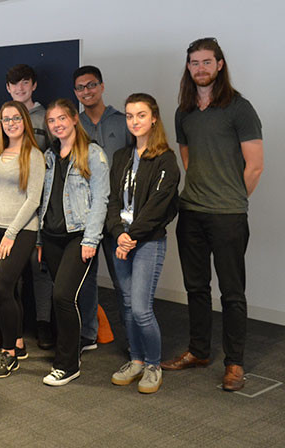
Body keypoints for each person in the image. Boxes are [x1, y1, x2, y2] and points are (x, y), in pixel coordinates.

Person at [162, 38, 264, 392]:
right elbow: (189, 161)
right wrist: (205, 192)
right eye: (194, 63)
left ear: (220, 65)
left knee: (232, 293)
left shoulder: (240, 108)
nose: (200, 68)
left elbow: (255, 166)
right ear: (188, 67)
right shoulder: (183, 112)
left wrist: (230, 198)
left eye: (207, 62)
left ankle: (234, 363)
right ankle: (198, 351)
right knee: (196, 288)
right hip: (191, 212)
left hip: (228, 216)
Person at [106, 94, 180, 394]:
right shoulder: (122, 157)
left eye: (140, 115)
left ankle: (152, 364)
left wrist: (131, 237)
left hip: (147, 242)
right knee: (125, 305)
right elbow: (112, 201)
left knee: (140, 309)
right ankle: (135, 360)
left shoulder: (165, 159)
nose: (134, 121)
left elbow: (158, 207)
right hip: (121, 239)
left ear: (153, 118)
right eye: (129, 115)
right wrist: (117, 233)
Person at [37, 99, 109, 386]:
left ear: (74, 119)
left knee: (62, 297)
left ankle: (67, 365)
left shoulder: (93, 154)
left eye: (62, 119)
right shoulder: (50, 156)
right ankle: (79, 341)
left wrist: (91, 239)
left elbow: (101, 200)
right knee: (66, 296)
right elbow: (46, 200)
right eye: (52, 121)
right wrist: (41, 239)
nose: (57, 125)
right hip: (52, 236)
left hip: (78, 236)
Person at [0, 101, 45, 378]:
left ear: (25, 121)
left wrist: (10, 234)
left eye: (16, 118)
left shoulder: (34, 155)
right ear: (0, 124)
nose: (11, 123)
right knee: (11, 290)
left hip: (21, 230)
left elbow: (33, 200)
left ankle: (9, 354)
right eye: (6, 119)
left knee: (2, 288)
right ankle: (17, 341)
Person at [72, 65, 133, 352]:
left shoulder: (123, 122)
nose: (87, 91)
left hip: (118, 215)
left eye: (91, 85)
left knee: (124, 282)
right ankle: (89, 334)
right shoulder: (73, 125)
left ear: (102, 86)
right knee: (87, 280)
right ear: (75, 93)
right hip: (86, 215)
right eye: (81, 88)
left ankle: (134, 340)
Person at [0, 64, 48, 150]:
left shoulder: (46, 118)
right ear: (8, 88)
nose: (20, 88)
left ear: (34, 85)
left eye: (25, 83)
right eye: (14, 83)